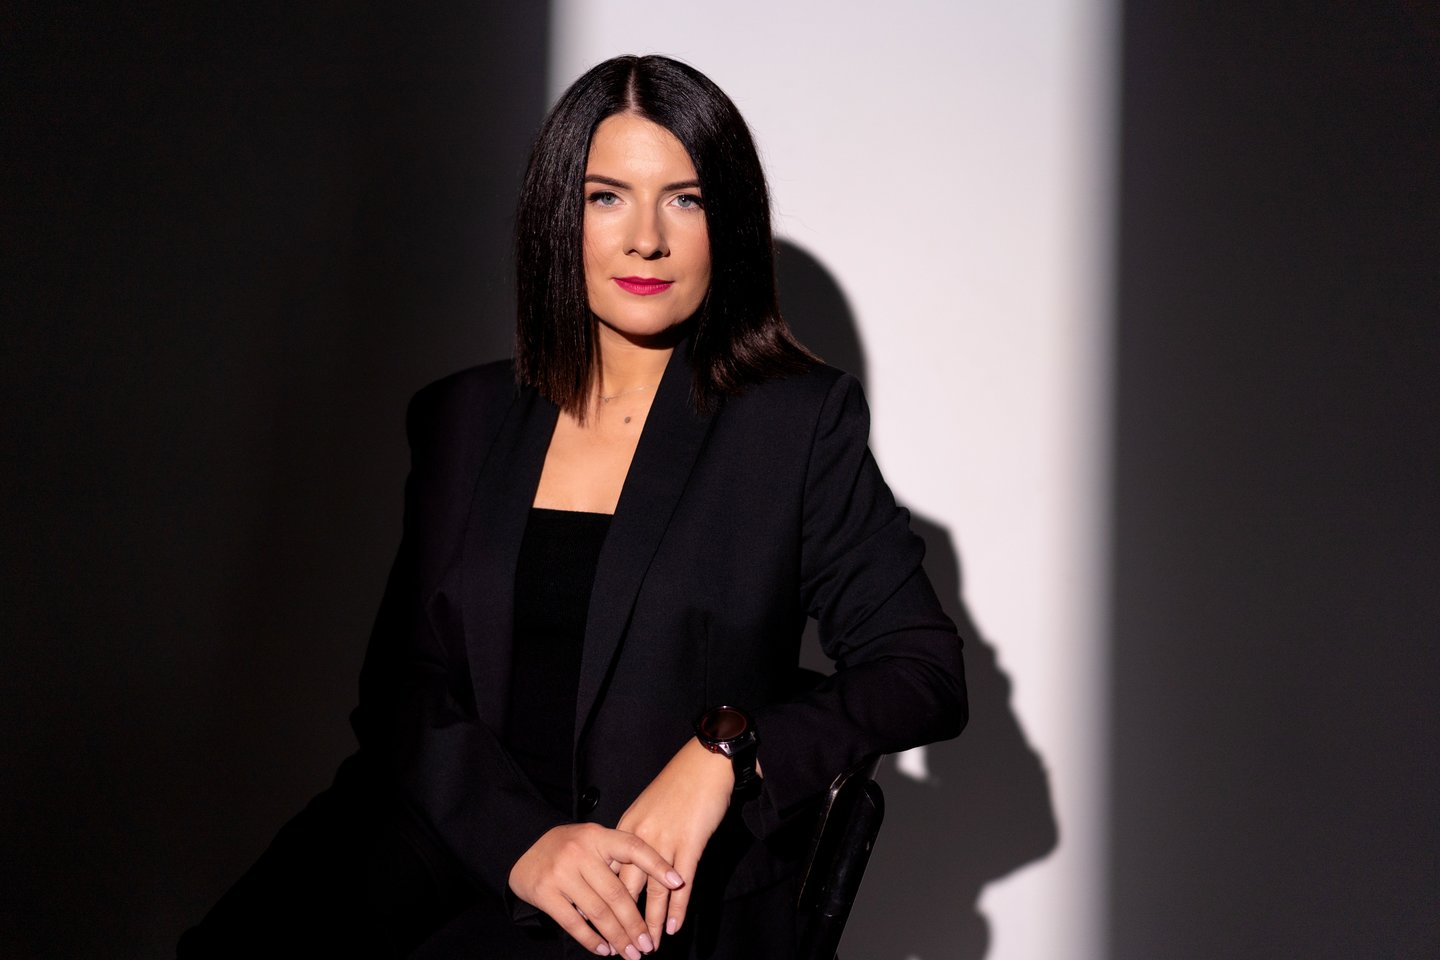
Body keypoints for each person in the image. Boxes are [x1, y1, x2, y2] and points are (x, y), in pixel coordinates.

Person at [180, 54, 966, 960]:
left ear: (729, 222)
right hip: (445, 837)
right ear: (558, 216)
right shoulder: (464, 417)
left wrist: (729, 753)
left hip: (642, 889)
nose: (646, 240)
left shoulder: (793, 425)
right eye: (606, 198)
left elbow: (920, 670)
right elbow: (406, 688)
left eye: (685, 199)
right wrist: (521, 842)